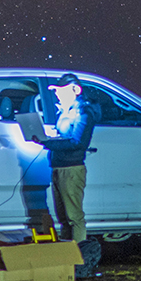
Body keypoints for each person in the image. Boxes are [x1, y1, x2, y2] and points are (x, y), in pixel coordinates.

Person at [32, 73, 99, 247]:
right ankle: (69, 253)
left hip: (71, 169)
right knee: (64, 217)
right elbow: (68, 138)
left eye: (62, 91)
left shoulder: (84, 112)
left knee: (74, 216)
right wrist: (50, 139)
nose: (57, 94)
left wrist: (48, 143)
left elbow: (78, 143)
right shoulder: (67, 111)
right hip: (59, 166)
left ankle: (78, 256)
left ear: (76, 90)